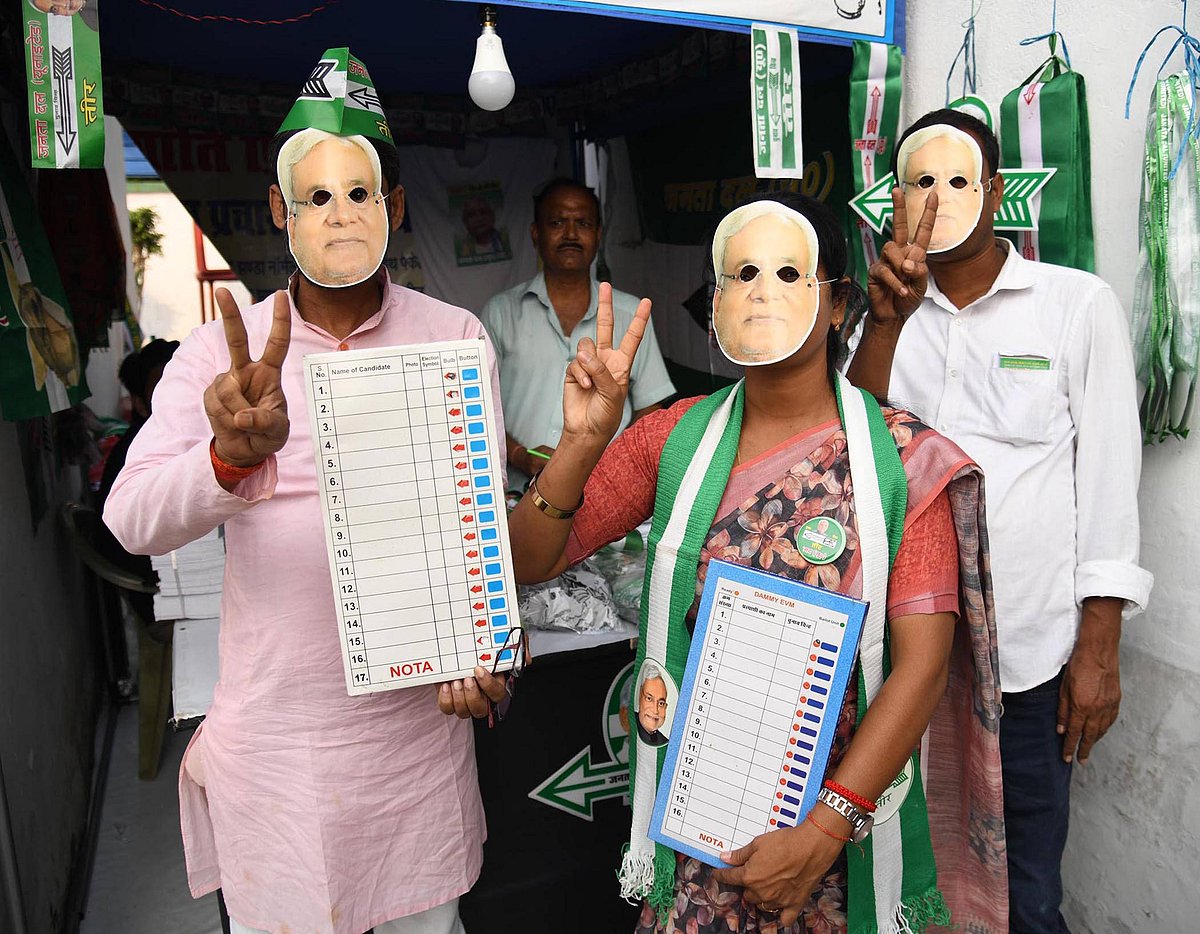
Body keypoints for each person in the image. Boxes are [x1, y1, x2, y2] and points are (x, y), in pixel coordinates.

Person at [508, 193, 1007, 933]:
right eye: (740, 274)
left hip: (834, 840)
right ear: (714, 306)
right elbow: (527, 558)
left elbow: (922, 668)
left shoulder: (902, 461)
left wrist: (822, 833)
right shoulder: (672, 439)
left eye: (785, 271)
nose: (760, 290)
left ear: (838, 305)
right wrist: (582, 442)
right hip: (695, 836)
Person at [104, 49, 507, 934]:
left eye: (359, 193)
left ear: (395, 209)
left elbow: (474, 526)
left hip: (411, 755)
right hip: (280, 755)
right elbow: (129, 519)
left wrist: (488, 653)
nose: (339, 215)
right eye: (315, 197)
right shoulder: (223, 350)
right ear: (281, 211)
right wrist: (225, 461)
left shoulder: (454, 338)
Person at [850, 108, 1154, 934]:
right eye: (919, 183)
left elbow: (1110, 480)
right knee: (910, 868)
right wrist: (885, 323)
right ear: (894, 201)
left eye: (958, 181)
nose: (938, 200)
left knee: (1026, 887)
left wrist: (1098, 647)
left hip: (1028, 662)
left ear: (993, 193)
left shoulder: (1074, 306)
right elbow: (850, 454)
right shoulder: (883, 317)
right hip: (901, 656)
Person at [479, 177, 675, 489]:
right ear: (536, 233)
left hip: (606, 493)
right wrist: (519, 455)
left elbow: (649, 409)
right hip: (519, 490)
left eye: (582, 223)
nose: (571, 234)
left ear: (598, 235)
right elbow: (478, 408)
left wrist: (616, 467)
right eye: (557, 222)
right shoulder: (499, 313)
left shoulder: (631, 314)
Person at [634, 662, 670, 747]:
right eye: (649, 699)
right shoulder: (634, 728)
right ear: (639, 697)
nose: (655, 710)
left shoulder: (665, 740)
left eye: (661, 703)